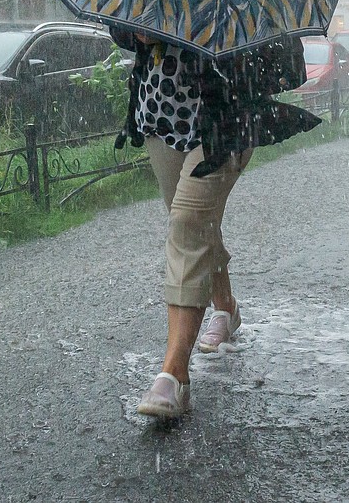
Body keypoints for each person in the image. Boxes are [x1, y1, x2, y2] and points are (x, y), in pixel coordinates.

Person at [109, 26, 321, 418]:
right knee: (195, 225)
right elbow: (120, 30)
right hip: (159, 115)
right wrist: (137, 32)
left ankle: (174, 375)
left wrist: (190, 28)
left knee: (188, 225)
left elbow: (257, 46)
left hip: (224, 121)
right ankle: (226, 307)